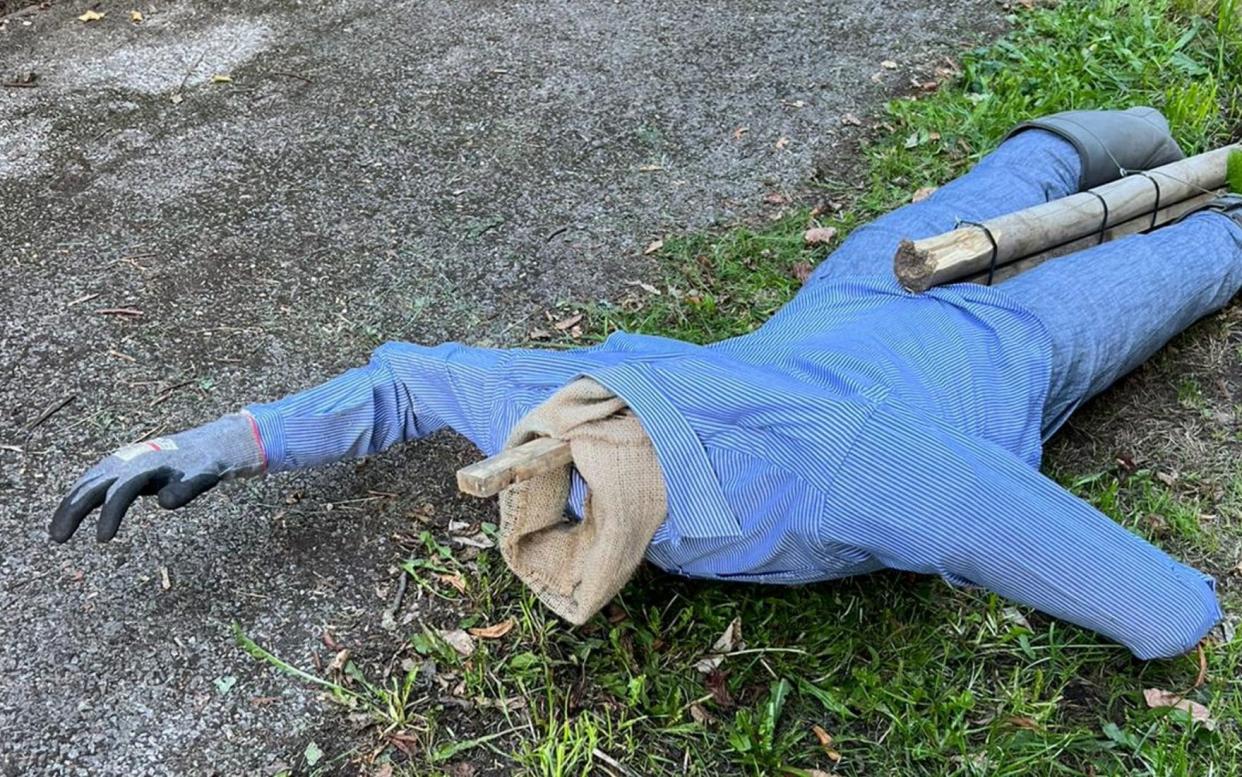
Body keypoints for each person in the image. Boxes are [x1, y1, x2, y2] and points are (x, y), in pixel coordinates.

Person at [50, 108, 1240, 659]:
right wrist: (227, 438)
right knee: (1089, 201)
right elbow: (409, 382)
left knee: (1168, 229)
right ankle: (1142, 149)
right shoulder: (586, 391)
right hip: (896, 303)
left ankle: (1144, 138)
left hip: (969, 331)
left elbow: (1172, 609)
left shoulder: (872, 473)